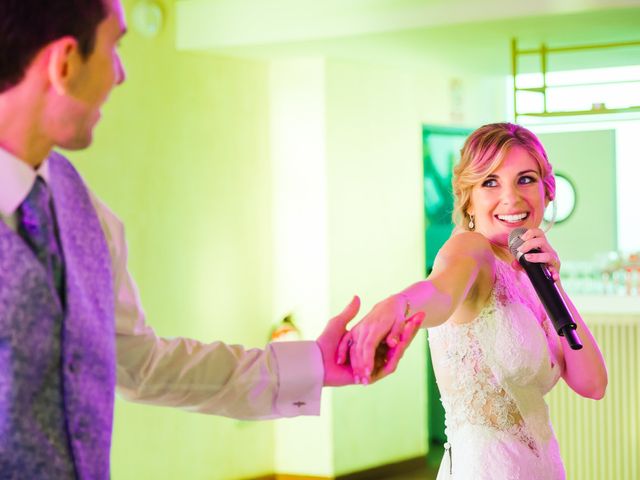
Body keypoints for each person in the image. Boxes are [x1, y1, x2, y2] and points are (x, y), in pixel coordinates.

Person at [0, 0, 423, 478]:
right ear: (65, 63)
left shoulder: (85, 211)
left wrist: (313, 366)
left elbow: (142, 365)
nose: (120, 75)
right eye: (115, 47)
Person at [342, 123, 608, 479]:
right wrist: (400, 304)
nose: (511, 198)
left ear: (548, 191)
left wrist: (554, 285)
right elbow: (440, 290)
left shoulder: (528, 273)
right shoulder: (471, 250)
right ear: (468, 197)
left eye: (525, 179)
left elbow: (593, 384)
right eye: (490, 182)